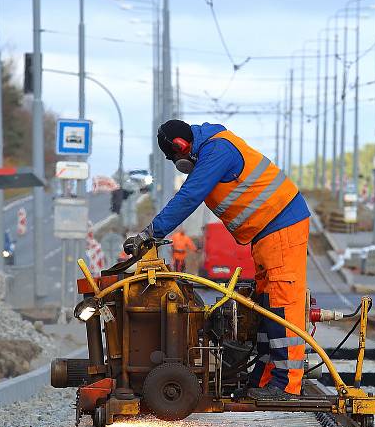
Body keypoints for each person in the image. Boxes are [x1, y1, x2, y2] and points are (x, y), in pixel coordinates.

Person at [124, 120, 310, 401]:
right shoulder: (209, 149)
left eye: (175, 158)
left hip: (281, 226)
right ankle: (267, 376)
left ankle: (287, 385)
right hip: (267, 232)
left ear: (180, 146)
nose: (178, 163)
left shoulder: (217, 151)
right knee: (266, 306)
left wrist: (150, 233)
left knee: (283, 304)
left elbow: (188, 197)